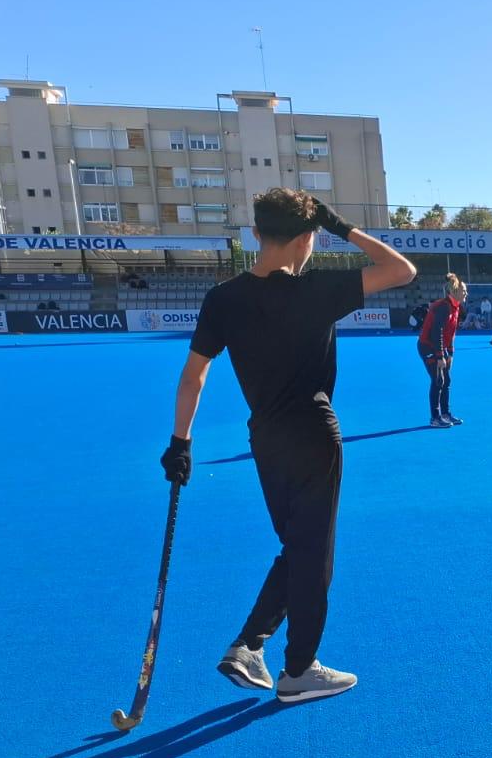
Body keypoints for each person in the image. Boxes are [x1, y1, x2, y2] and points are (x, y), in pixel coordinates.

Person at [160, 188, 416, 703]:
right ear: (308, 238)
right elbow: (402, 270)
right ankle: (299, 670)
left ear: (256, 233)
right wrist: (342, 227)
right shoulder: (317, 289)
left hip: (266, 439)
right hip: (314, 435)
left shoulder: (223, 298)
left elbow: (193, 376)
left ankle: (248, 645)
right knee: (314, 555)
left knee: (297, 546)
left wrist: (180, 442)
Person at [417, 272, 466, 428]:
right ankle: (435, 418)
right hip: (428, 346)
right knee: (438, 380)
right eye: (463, 290)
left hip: (440, 347)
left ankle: (445, 414)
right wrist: (440, 356)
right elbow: (436, 332)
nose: (466, 293)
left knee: (446, 380)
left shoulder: (456, 307)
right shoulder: (443, 307)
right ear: (454, 291)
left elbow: (451, 332)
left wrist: (450, 353)